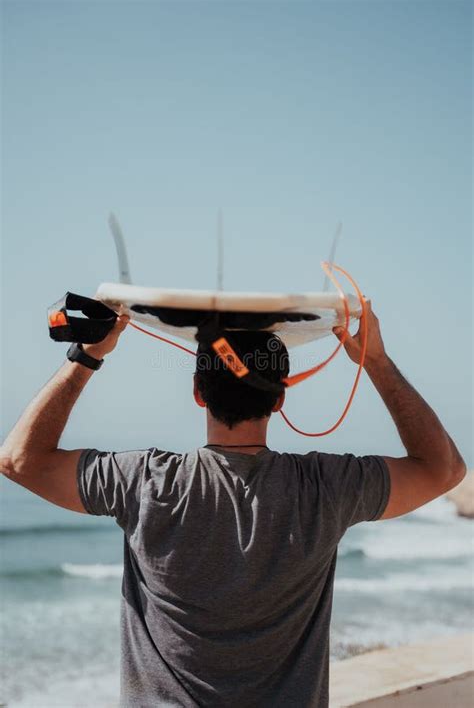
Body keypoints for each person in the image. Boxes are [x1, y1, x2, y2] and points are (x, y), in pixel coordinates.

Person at [0, 302, 466, 708]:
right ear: (280, 398)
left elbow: (19, 460)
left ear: (199, 393)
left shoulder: (145, 481)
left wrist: (87, 354)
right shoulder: (326, 487)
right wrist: (376, 361)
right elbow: (443, 470)